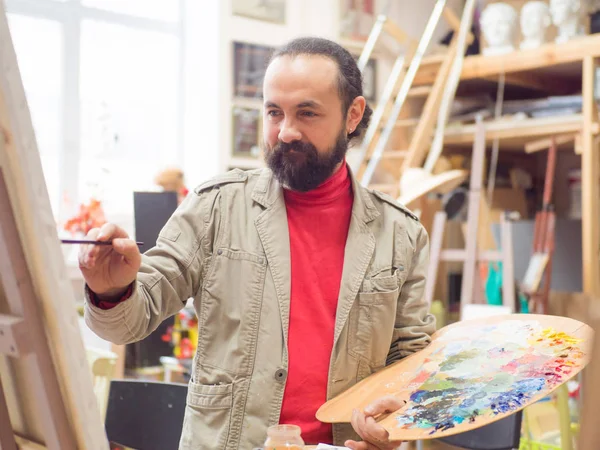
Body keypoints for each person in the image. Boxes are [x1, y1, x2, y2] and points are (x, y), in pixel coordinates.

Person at [80, 36, 435, 450]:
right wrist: (111, 289)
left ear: (352, 115)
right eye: (273, 112)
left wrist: (392, 425)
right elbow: (131, 321)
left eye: (307, 113)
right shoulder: (215, 208)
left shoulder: (401, 234)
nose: (286, 132)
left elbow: (411, 363)